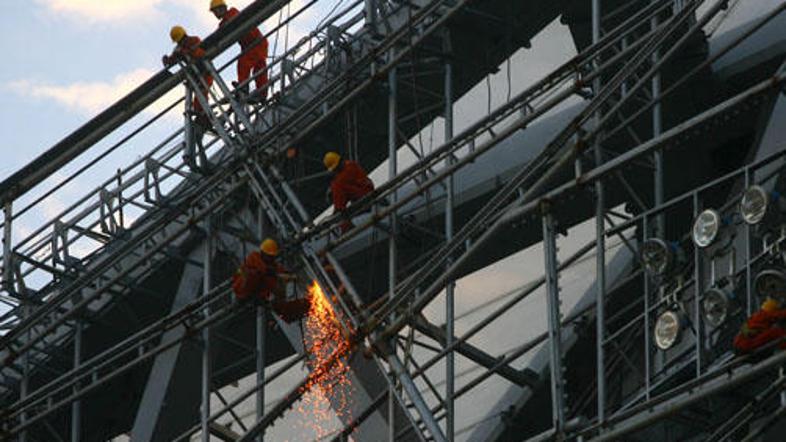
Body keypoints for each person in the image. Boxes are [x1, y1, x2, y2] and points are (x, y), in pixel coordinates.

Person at [163, 26, 214, 171]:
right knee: (198, 99)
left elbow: (198, 55)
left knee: (202, 96)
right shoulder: (180, 48)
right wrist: (168, 60)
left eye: (182, 39)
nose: (182, 42)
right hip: (195, 77)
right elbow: (172, 60)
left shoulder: (194, 40)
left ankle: (204, 117)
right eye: (180, 41)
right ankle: (202, 116)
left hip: (204, 72)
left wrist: (184, 53)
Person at [232, 239, 309, 322]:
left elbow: (278, 271)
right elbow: (263, 269)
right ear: (263, 253)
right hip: (244, 290)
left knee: (283, 309)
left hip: (258, 294)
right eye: (269, 256)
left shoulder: (272, 266)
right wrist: (279, 275)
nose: (271, 259)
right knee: (256, 275)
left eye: (272, 257)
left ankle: (308, 306)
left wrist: (290, 275)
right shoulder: (254, 258)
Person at [209, 0, 269, 103]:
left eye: (215, 11)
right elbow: (221, 31)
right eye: (214, 12)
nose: (215, 14)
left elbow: (231, 22)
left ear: (222, 8)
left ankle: (244, 87)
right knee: (258, 68)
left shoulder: (232, 12)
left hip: (254, 43)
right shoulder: (224, 22)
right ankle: (261, 94)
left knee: (244, 63)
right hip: (252, 44)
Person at [324, 152, 375, 233]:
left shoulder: (346, 172)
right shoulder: (350, 165)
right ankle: (342, 220)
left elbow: (341, 194)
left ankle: (344, 225)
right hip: (363, 192)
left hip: (363, 194)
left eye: (336, 168)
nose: (336, 171)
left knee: (337, 186)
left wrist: (337, 211)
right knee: (337, 187)